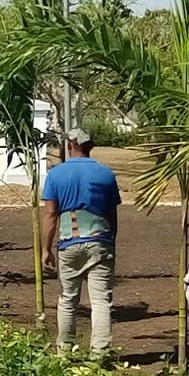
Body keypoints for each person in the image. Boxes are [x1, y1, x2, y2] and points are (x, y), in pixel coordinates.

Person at [42, 128, 122, 353]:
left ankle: (65, 350)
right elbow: (112, 214)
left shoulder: (56, 175)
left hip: (70, 242)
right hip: (101, 242)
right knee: (101, 301)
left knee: (68, 298)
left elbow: (50, 215)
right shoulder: (106, 174)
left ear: (70, 146)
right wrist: (110, 241)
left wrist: (45, 249)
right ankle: (100, 352)